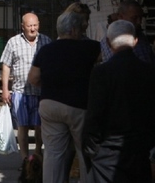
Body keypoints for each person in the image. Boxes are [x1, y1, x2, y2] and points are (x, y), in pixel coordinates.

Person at [82, 20, 155, 183]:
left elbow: (94, 115)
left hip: (107, 154)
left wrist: (92, 150)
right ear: (135, 41)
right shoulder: (149, 72)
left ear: (109, 42)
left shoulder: (101, 73)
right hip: (138, 151)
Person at [28, 10, 99, 183]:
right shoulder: (92, 48)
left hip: (50, 104)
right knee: (84, 152)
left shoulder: (45, 50)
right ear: (75, 30)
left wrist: (52, 85)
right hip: (79, 105)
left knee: (53, 153)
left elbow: (33, 78)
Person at [0, 12, 51, 164]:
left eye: (35, 25)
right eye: (29, 26)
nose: (33, 29)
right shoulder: (13, 42)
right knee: (22, 126)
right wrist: (5, 89)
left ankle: (37, 155)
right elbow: (6, 65)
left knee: (39, 126)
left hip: (40, 92)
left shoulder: (46, 41)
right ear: (23, 26)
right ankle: (24, 158)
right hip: (20, 91)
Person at [100, 0, 155, 64]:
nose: (139, 22)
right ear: (120, 17)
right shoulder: (112, 38)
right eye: (134, 18)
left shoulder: (141, 36)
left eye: (141, 18)